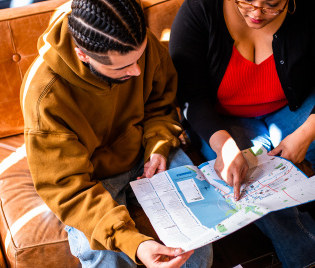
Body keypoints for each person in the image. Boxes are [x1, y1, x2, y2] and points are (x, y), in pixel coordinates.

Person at [169, 0, 315, 267]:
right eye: (245, 1)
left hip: (292, 104)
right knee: (243, 179)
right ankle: (310, 256)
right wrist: (224, 147)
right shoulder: (200, 9)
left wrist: (305, 134)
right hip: (224, 119)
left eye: (272, 4)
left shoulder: (310, 8)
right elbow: (190, 95)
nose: (256, 12)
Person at [21, 0, 213, 267]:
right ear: (83, 55)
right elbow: (68, 188)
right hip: (90, 178)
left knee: (199, 237)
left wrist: (158, 145)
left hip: (145, 153)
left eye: (139, 58)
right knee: (105, 257)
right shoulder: (45, 97)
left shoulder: (135, 43)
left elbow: (161, 106)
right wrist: (134, 243)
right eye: (121, 68)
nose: (136, 71)